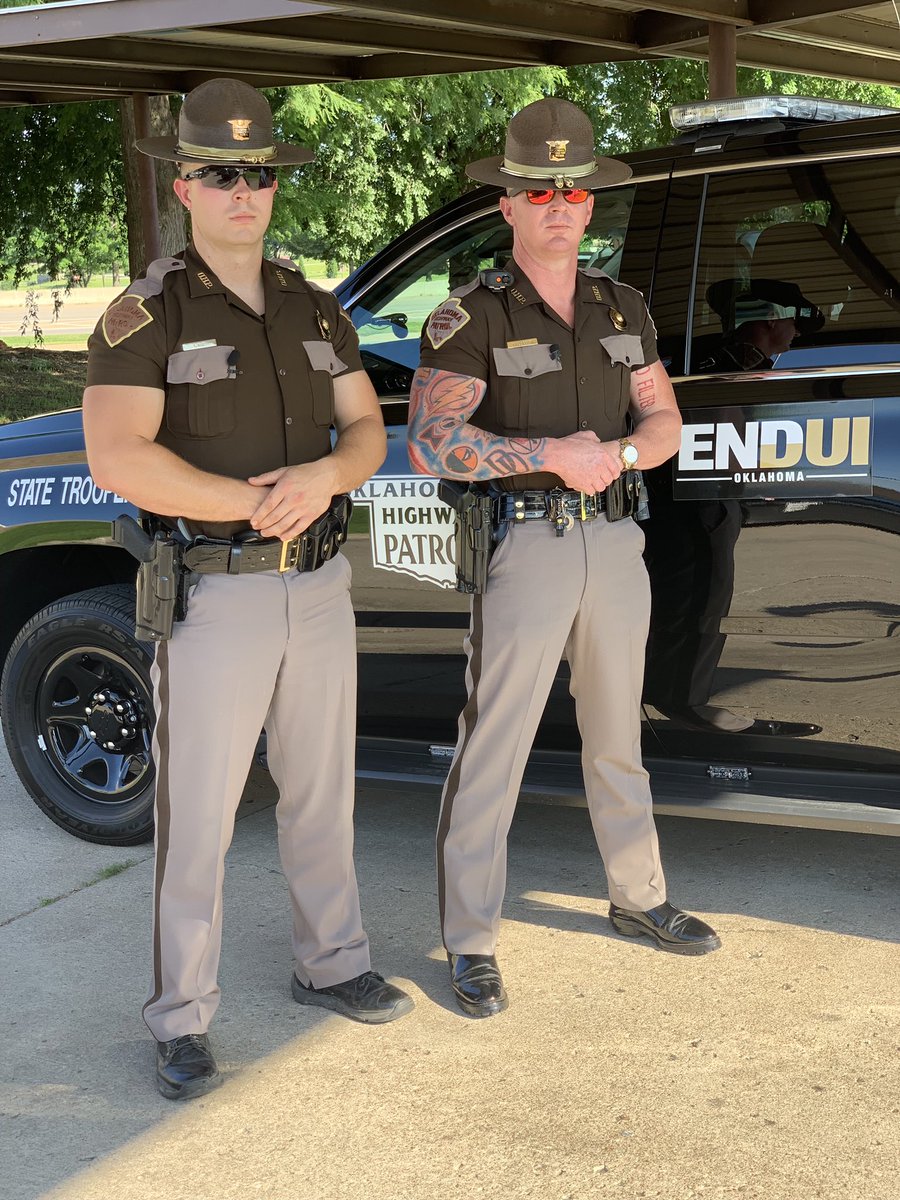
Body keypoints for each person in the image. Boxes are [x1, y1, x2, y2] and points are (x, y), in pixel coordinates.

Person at [83, 78, 412, 1101]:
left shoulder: (315, 306)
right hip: (214, 593)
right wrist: (252, 501)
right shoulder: (145, 315)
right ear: (183, 184)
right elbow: (117, 455)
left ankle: (334, 961)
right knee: (200, 817)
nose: (242, 191)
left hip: (316, 585)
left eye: (257, 174)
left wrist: (325, 477)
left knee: (321, 791)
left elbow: (367, 429)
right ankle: (181, 1017)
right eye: (219, 173)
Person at [407, 97, 720, 1020]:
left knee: (619, 733)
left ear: (591, 204)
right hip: (526, 545)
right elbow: (431, 441)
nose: (558, 205)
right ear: (508, 203)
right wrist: (549, 453)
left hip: (616, 539)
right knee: (493, 747)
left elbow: (662, 420)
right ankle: (470, 940)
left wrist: (614, 455)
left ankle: (640, 896)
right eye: (538, 190)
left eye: (573, 191)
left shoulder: (624, 306)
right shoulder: (468, 314)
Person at [642, 277, 824, 735]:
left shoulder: (724, 359)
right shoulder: (728, 366)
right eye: (793, 322)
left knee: (700, 599)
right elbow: (727, 439)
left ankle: (673, 698)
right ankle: (677, 703)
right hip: (699, 501)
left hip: (701, 498)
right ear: (770, 320)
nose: (796, 334)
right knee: (699, 599)